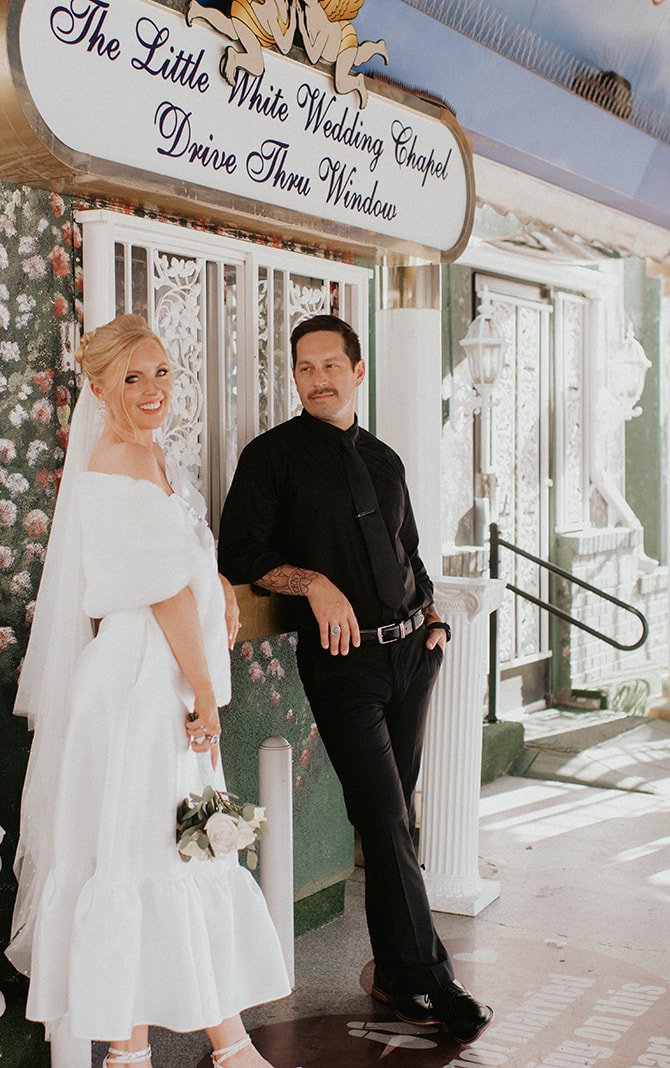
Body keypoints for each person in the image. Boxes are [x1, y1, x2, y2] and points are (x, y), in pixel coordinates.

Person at [7, 314, 289, 1068]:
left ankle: (169, 1049)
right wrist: (205, 692)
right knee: (150, 852)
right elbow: (160, 590)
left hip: (152, 674)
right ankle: (181, 1049)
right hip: (142, 682)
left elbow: (178, 558)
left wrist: (219, 586)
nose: (153, 388)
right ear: (100, 389)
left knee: (161, 850)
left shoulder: (150, 455)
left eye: (161, 371)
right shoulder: (119, 460)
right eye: (132, 378)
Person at [218, 314, 492, 1044]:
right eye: (305, 368)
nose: (318, 379)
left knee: (393, 819)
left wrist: (432, 620)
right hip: (343, 666)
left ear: (358, 371)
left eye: (331, 365)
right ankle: (433, 981)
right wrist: (313, 582)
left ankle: (397, 974)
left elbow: (409, 548)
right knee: (386, 817)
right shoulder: (270, 458)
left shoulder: (385, 460)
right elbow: (239, 554)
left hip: (412, 656)